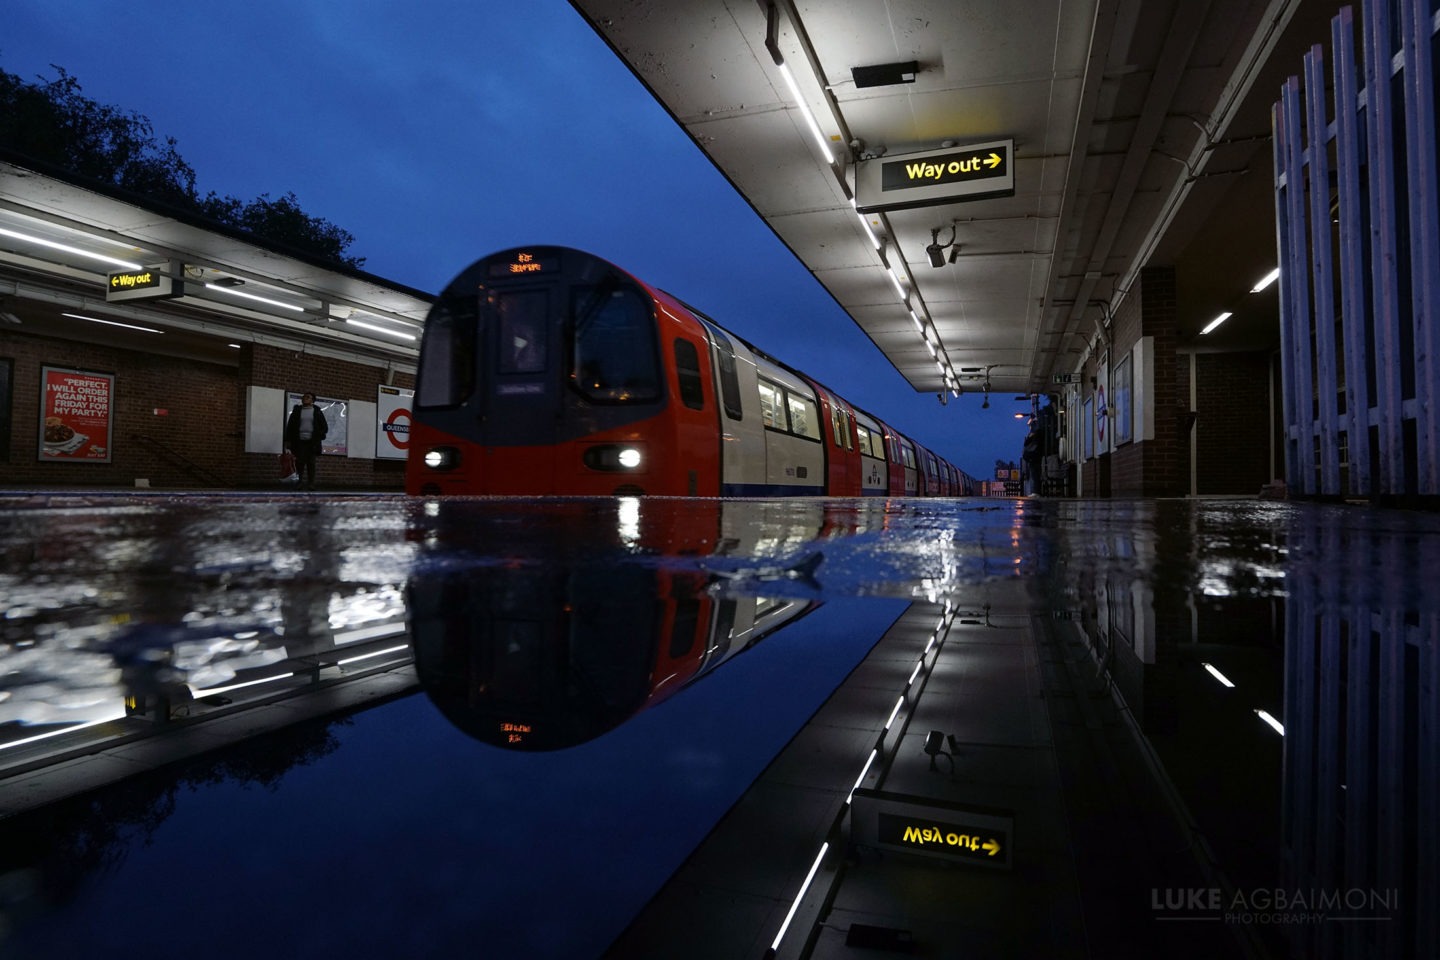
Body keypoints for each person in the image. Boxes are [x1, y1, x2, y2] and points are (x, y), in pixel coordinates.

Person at [284, 392, 329, 490]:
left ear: (312, 400)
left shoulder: (317, 411)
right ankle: (299, 482)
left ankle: (311, 483)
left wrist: (318, 436)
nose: (305, 398)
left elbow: (324, 427)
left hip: (312, 442)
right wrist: (288, 440)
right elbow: (290, 426)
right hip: (299, 441)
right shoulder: (297, 411)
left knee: (311, 463)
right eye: (304, 397)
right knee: (299, 463)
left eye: (308, 397)